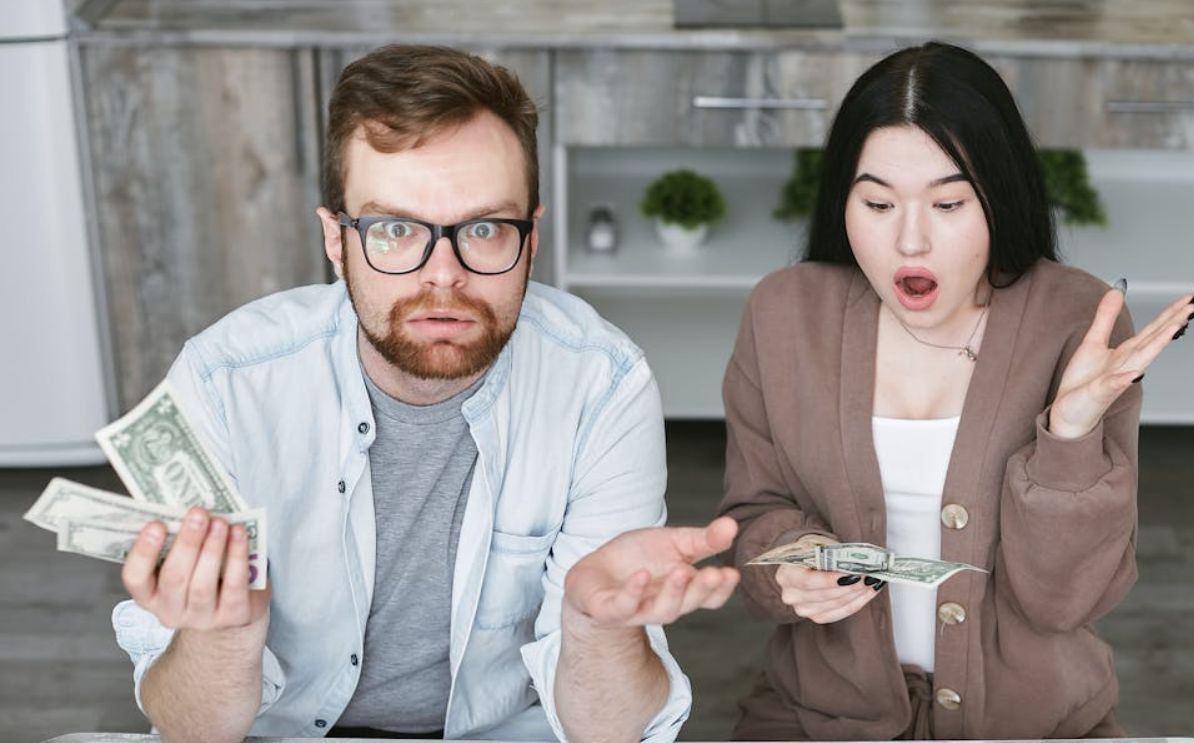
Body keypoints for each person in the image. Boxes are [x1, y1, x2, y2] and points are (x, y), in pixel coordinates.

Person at [111, 44, 739, 743]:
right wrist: (224, 636)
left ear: (531, 238)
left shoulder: (603, 385)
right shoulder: (222, 381)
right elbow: (187, 728)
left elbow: (607, 729)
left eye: (483, 228)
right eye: (394, 228)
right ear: (336, 239)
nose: (443, 275)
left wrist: (596, 630)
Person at [718, 41, 1194, 740]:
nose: (909, 241)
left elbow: (1066, 599)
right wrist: (791, 561)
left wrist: (1066, 436)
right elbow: (752, 514)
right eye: (877, 202)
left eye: (948, 202)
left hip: (1031, 722)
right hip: (817, 718)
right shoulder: (782, 313)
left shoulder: (1076, 321)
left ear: (999, 197)